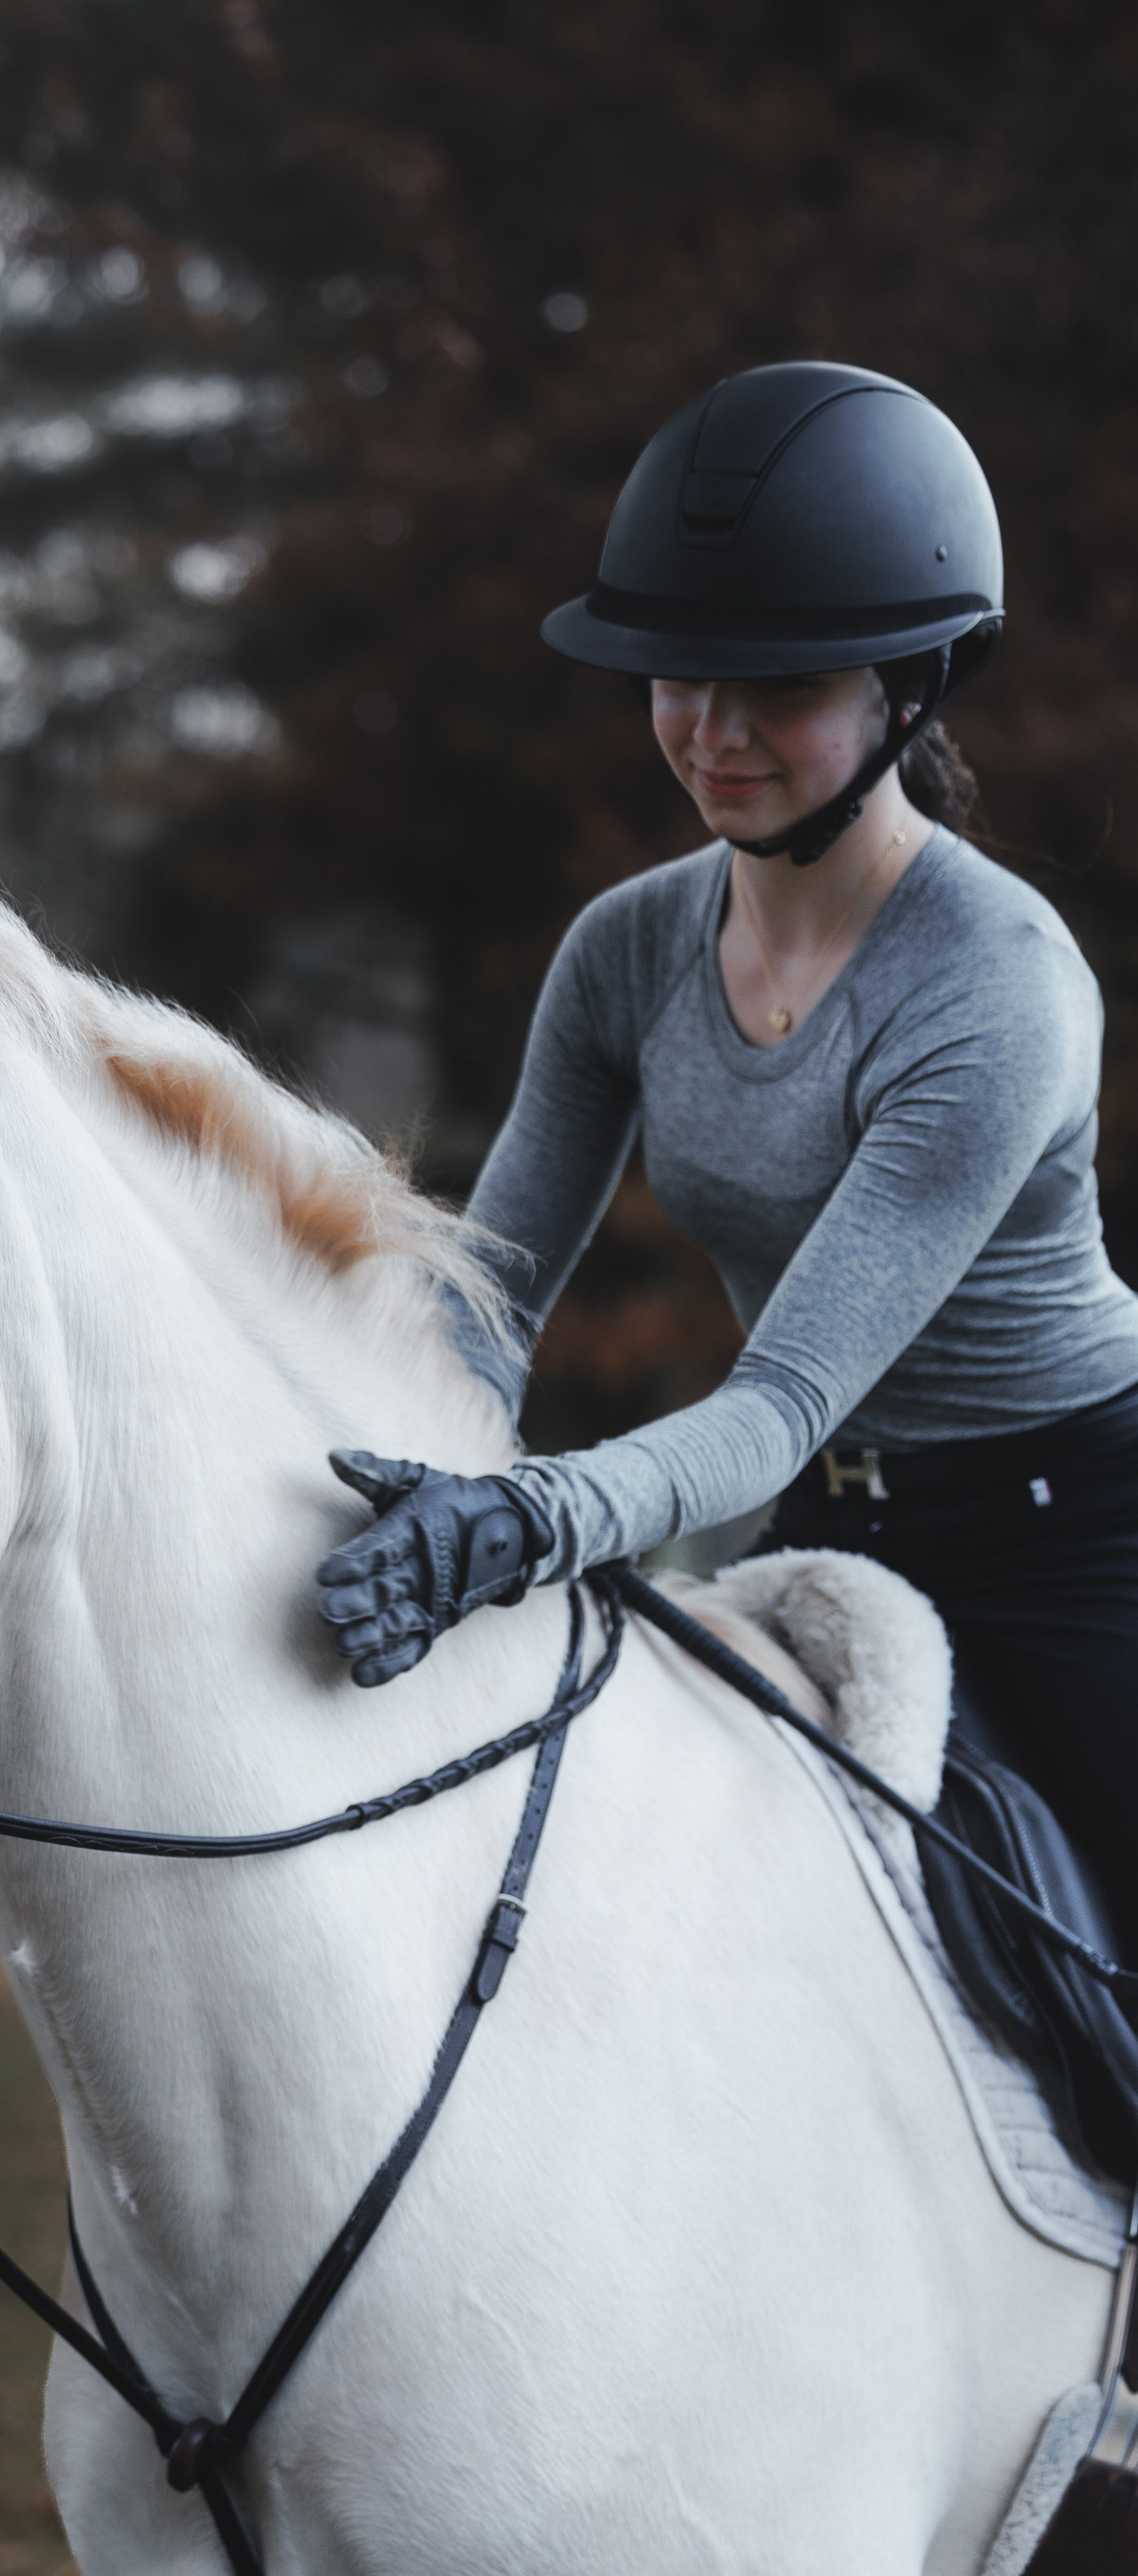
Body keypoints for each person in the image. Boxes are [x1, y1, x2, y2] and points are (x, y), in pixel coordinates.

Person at [315, 359, 1138, 1945]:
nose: (712, 732)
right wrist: (375, 1465)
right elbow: (481, 1309)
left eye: (781, 688)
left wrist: (523, 1522)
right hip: (838, 1523)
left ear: (915, 685)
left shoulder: (997, 986)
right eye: (678, 675)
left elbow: (777, 1400)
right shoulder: (624, 950)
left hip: (1077, 1533)